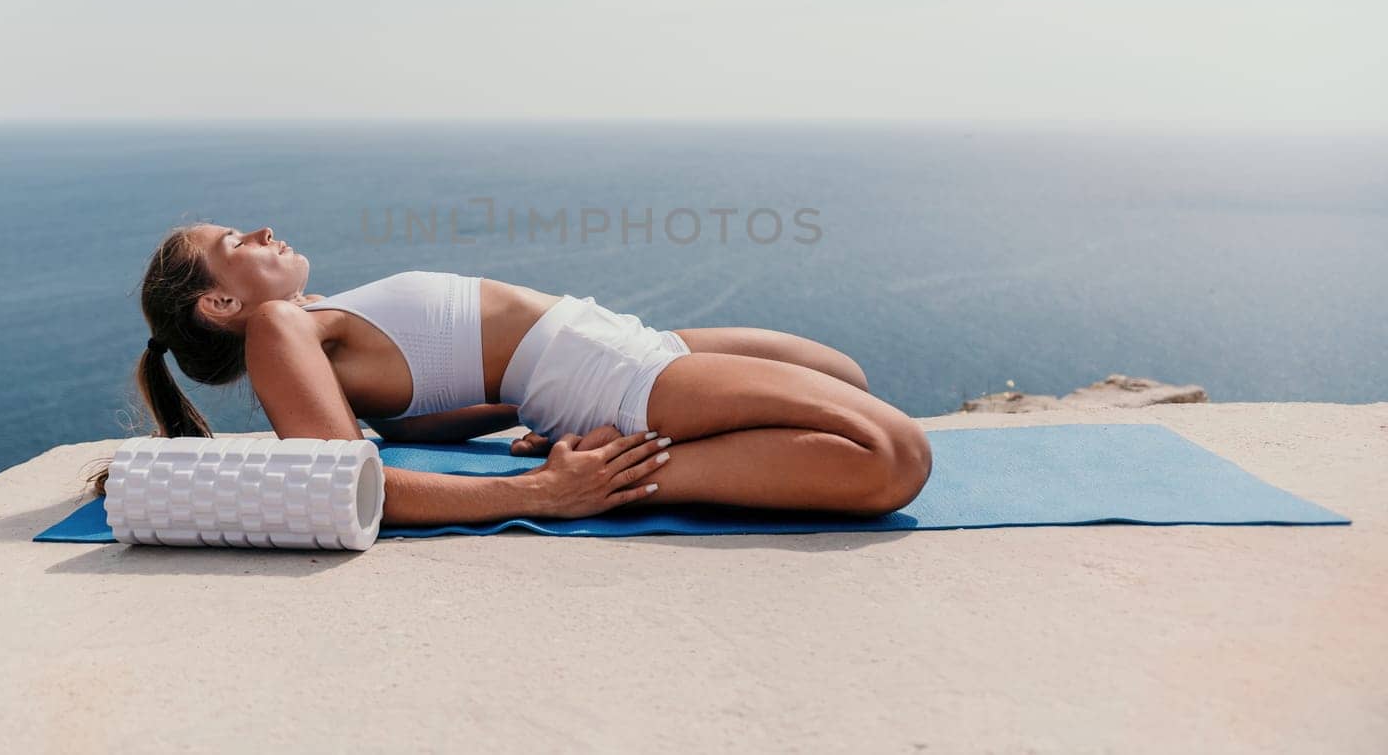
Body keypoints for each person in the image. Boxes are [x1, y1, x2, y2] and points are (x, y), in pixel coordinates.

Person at [83, 223, 933, 526]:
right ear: (221, 307)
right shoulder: (278, 325)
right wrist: (547, 490)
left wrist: (517, 416)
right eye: (237, 243)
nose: (264, 229)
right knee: (893, 454)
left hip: (604, 348)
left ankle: (633, 446)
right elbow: (345, 476)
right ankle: (640, 476)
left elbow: (406, 425)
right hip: (597, 371)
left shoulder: (313, 320)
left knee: (846, 376)